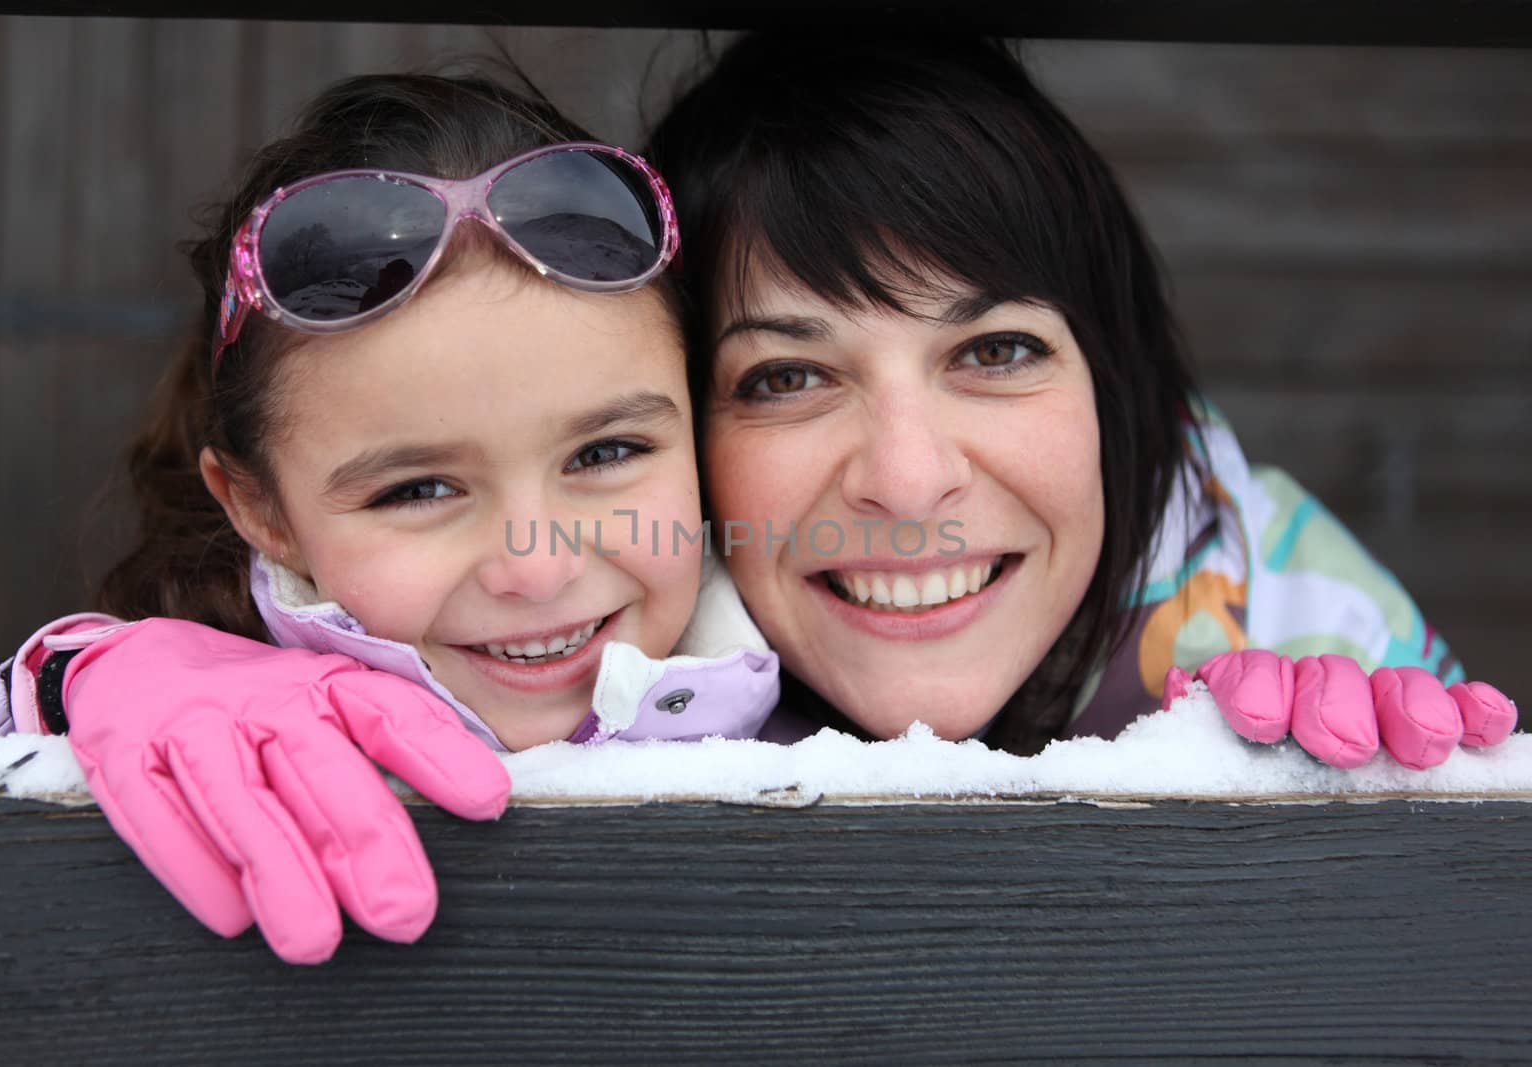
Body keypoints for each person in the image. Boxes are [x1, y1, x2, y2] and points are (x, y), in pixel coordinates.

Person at [0, 72, 777, 962]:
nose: (539, 566)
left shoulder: (820, 667)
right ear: (262, 510)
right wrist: (65, 689)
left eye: (605, 453)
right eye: (417, 490)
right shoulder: (181, 722)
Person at [642, 31, 1517, 762]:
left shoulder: (1315, 625)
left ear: (1114, 382)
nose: (909, 481)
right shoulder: (568, 626)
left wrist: (1356, 817)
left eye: (997, 350)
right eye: (788, 378)